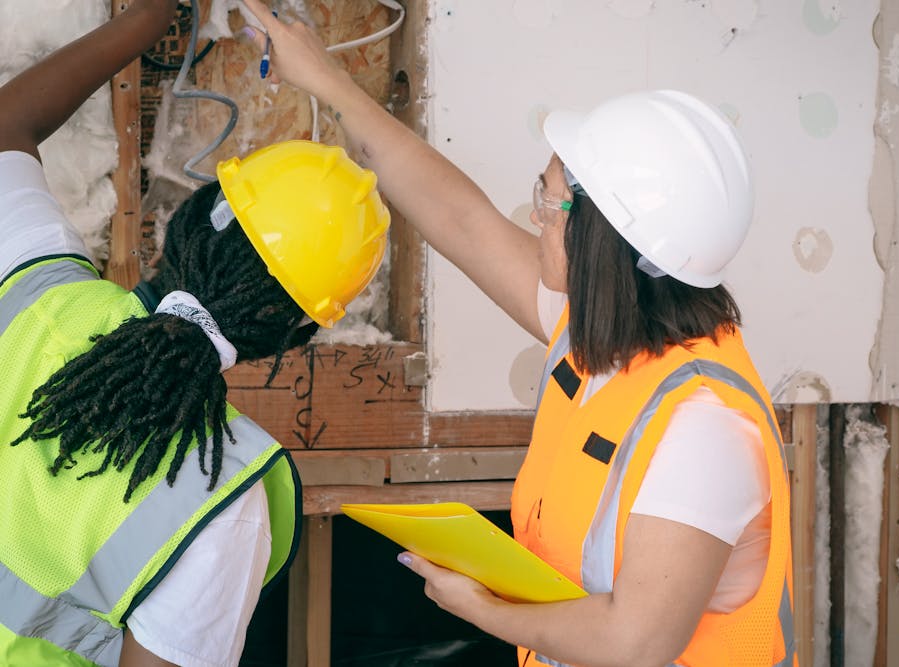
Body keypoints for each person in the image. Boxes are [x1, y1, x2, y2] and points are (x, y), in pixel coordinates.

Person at [240, 2, 796, 666]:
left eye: (550, 202)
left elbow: (637, 640)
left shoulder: (704, 428)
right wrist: (327, 81)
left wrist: (483, 608)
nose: (536, 218)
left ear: (605, 242)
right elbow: (461, 217)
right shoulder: (599, 342)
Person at [0, 2, 389, 665]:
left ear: (189, 217)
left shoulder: (38, 296)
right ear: (294, 334)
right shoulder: (215, 499)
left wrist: (153, 17)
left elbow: (8, 123)